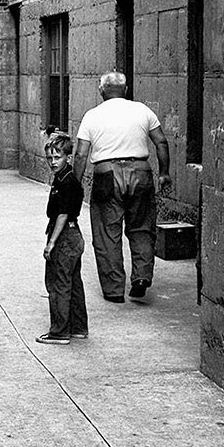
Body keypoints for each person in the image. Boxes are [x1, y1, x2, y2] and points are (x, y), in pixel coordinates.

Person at [74, 71, 173, 303]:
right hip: (140, 172)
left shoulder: (92, 115)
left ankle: (114, 289)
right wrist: (165, 173)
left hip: (106, 174)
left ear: (101, 91)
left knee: (107, 233)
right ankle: (141, 277)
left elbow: (80, 154)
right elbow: (161, 141)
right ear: (126, 89)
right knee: (142, 227)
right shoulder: (142, 110)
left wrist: (76, 186)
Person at [37, 131, 88, 345]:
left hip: (65, 235)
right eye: (49, 157)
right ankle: (77, 327)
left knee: (58, 283)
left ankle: (59, 331)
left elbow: (63, 214)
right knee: (73, 282)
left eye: (57, 157)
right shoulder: (63, 177)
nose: (53, 161)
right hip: (72, 235)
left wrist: (51, 243)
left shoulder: (67, 181)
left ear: (67, 157)